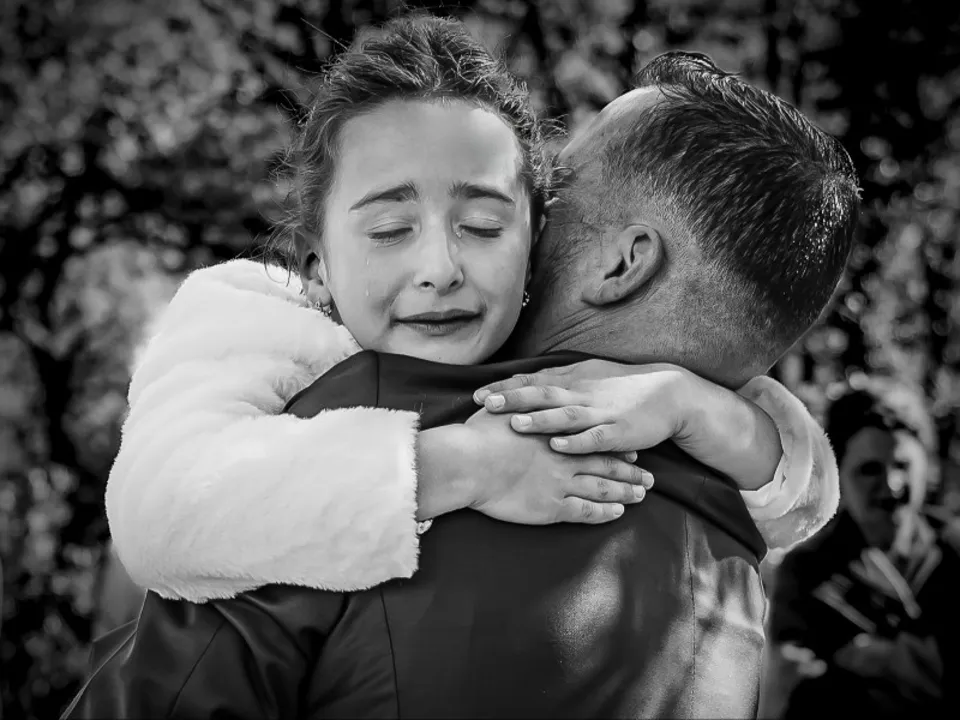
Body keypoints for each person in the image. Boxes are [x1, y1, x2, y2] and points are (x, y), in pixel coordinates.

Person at [64, 16, 857, 719]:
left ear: (623, 266)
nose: (442, 268)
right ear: (319, 259)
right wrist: (700, 408)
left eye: (540, 198)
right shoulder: (738, 570)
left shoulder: (351, 422)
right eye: (390, 229)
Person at [765, 388, 960, 718]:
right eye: (870, 469)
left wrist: (871, 657)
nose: (893, 485)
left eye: (903, 465)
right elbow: (794, 687)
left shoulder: (953, 550)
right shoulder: (808, 571)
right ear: (838, 475)